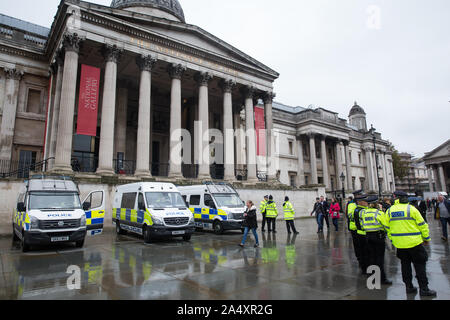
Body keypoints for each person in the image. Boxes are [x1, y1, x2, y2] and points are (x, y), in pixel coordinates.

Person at [385, 191, 436, 296]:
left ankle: (409, 287)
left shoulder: (389, 211)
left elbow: (387, 227)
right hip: (415, 243)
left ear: (396, 198)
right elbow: (423, 225)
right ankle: (424, 289)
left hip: (400, 244)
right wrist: (426, 238)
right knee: (420, 265)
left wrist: (393, 239)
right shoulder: (411, 209)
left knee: (405, 265)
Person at [360, 195, 392, 285]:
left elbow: (362, 225)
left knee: (371, 257)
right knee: (379, 258)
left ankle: (372, 277)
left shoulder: (364, 213)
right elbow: (386, 226)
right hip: (378, 237)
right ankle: (382, 278)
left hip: (368, 236)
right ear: (376, 203)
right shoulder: (379, 213)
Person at [353, 192, 370, 275]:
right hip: (364, 233)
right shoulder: (363, 211)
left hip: (359, 233)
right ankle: (367, 269)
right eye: (365, 201)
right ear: (361, 202)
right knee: (367, 253)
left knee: (362, 252)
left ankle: (363, 268)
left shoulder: (356, 209)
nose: (367, 203)